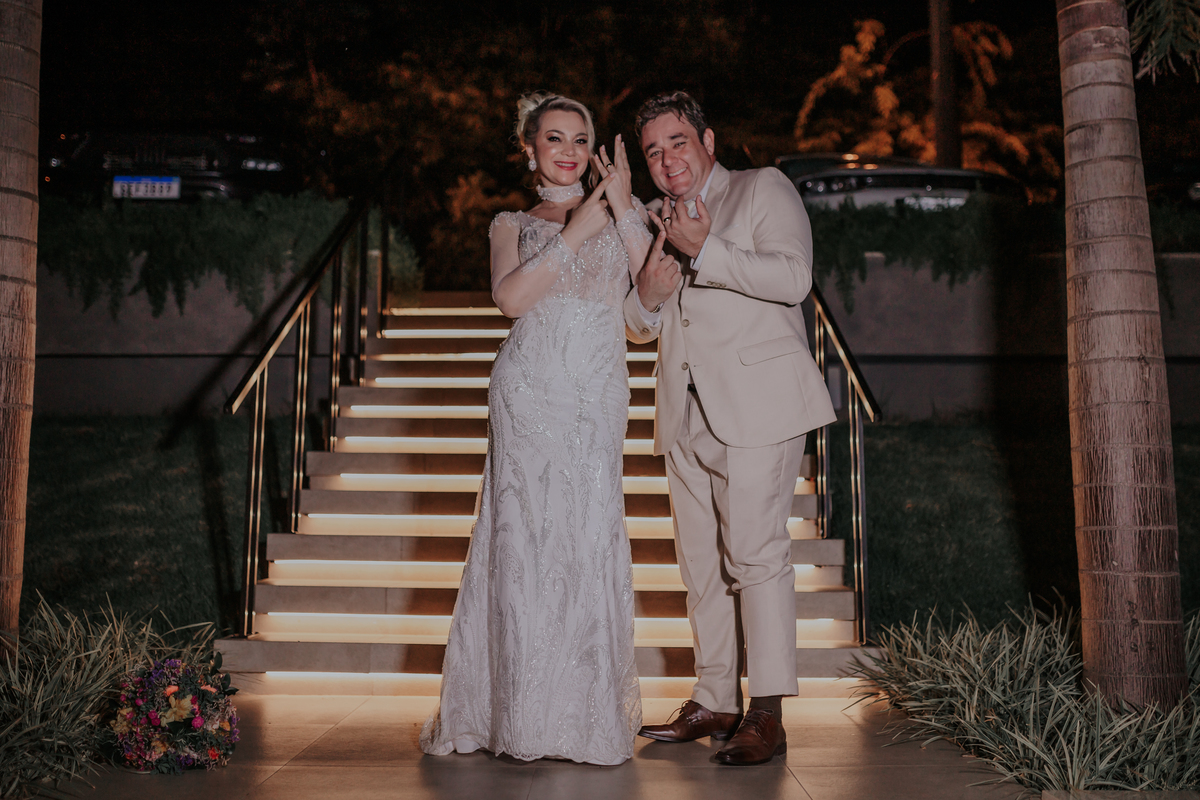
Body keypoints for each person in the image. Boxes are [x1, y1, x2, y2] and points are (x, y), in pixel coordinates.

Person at [420, 92, 673, 765]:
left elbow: (649, 298)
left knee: (588, 534)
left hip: (597, 388)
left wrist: (622, 205)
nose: (568, 150)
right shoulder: (512, 222)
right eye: (554, 138)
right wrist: (575, 230)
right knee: (523, 539)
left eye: (580, 139)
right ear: (529, 148)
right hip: (529, 390)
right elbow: (510, 299)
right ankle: (517, 716)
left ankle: (584, 717)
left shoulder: (621, 211)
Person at [626, 91, 837, 766]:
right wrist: (646, 300)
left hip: (758, 404)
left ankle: (767, 711)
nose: (667, 160)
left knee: (755, 555)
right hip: (683, 412)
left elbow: (793, 277)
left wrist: (706, 249)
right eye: (653, 151)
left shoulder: (760, 188)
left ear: (708, 140)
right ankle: (715, 697)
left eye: (678, 142)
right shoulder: (651, 219)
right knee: (701, 567)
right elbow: (640, 324)